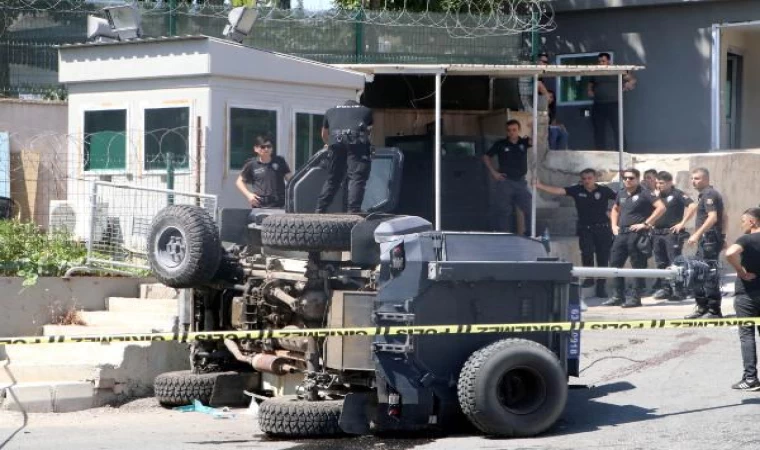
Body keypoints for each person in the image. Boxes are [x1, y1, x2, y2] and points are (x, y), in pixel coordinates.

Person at [536, 168, 616, 298]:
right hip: (585, 228)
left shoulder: (604, 190)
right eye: (584, 178)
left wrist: (612, 212)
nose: (586, 181)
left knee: (603, 257)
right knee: (587, 252)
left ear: (595, 178)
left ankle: (601, 286)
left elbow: (621, 199)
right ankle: (589, 277)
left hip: (603, 228)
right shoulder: (577, 189)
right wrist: (540, 186)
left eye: (589, 178)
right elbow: (560, 191)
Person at [603, 168, 665, 308]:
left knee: (637, 265)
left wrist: (646, 224)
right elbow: (615, 209)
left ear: (637, 179)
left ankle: (635, 298)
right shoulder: (621, 193)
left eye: (631, 178)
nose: (627, 180)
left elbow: (661, 208)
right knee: (614, 263)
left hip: (637, 234)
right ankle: (617, 296)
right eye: (625, 178)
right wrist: (613, 225)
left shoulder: (645, 193)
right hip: (621, 234)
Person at [315, 99, 373, 214]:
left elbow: (324, 134)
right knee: (356, 176)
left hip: (335, 141)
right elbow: (369, 132)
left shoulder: (330, 111)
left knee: (333, 178)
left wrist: (329, 144)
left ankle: (320, 209)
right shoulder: (366, 110)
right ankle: (353, 210)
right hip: (356, 140)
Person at [725, 208, 760, 391]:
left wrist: (740, 271)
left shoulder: (747, 239)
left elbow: (730, 253)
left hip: (747, 293)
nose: (742, 224)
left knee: (747, 335)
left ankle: (750, 378)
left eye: (743, 221)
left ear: (753, 222)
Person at [685, 167, 726, 319]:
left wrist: (696, 234)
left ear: (706, 179)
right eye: (692, 178)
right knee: (698, 273)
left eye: (697, 178)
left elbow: (713, 217)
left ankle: (714, 310)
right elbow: (725, 216)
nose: (693, 181)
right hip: (708, 239)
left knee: (708, 274)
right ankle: (702, 307)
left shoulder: (709, 194)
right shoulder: (705, 195)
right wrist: (724, 236)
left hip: (708, 240)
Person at [651, 171, 697, 301]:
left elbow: (693, 206)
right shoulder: (656, 195)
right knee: (660, 262)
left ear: (670, 182)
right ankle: (666, 289)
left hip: (671, 233)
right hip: (657, 232)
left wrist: (682, 223)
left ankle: (679, 290)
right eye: (657, 183)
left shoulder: (677, 194)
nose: (659, 185)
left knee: (675, 262)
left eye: (662, 183)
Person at [483, 120, 533, 235]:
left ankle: (530, 233)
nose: (511, 133)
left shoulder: (523, 142)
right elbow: (486, 157)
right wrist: (494, 173)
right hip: (505, 182)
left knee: (529, 208)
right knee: (504, 211)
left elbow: (534, 141)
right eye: (509, 130)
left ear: (519, 130)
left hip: (520, 181)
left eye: (514, 130)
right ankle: (504, 235)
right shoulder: (501, 144)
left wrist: (532, 128)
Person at [235, 134, 291, 221]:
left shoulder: (280, 161)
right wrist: (249, 195)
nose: (266, 149)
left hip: (280, 206)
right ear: (256, 149)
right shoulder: (252, 164)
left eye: (269, 146)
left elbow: (291, 180)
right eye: (263, 147)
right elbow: (239, 181)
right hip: (260, 206)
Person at [587, 52, 636, 150]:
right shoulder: (595, 72)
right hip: (598, 104)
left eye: (603, 61)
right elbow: (590, 83)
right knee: (599, 130)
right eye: (599, 61)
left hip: (614, 104)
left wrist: (629, 84)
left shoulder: (616, 70)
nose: (601, 63)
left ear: (609, 61)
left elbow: (632, 79)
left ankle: (622, 151)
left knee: (618, 129)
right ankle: (600, 152)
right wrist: (589, 90)